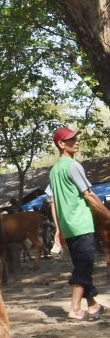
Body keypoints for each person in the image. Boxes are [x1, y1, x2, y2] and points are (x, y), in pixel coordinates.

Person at [48, 127, 110, 321]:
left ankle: (92, 305)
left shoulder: (54, 170)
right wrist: (108, 215)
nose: (76, 142)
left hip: (69, 227)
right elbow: (89, 195)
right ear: (61, 144)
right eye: (71, 139)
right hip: (82, 224)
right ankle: (75, 309)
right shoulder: (73, 166)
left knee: (81, 265)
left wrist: (59, 229)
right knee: (84, 267)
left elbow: (55, 203)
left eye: (75, 138)